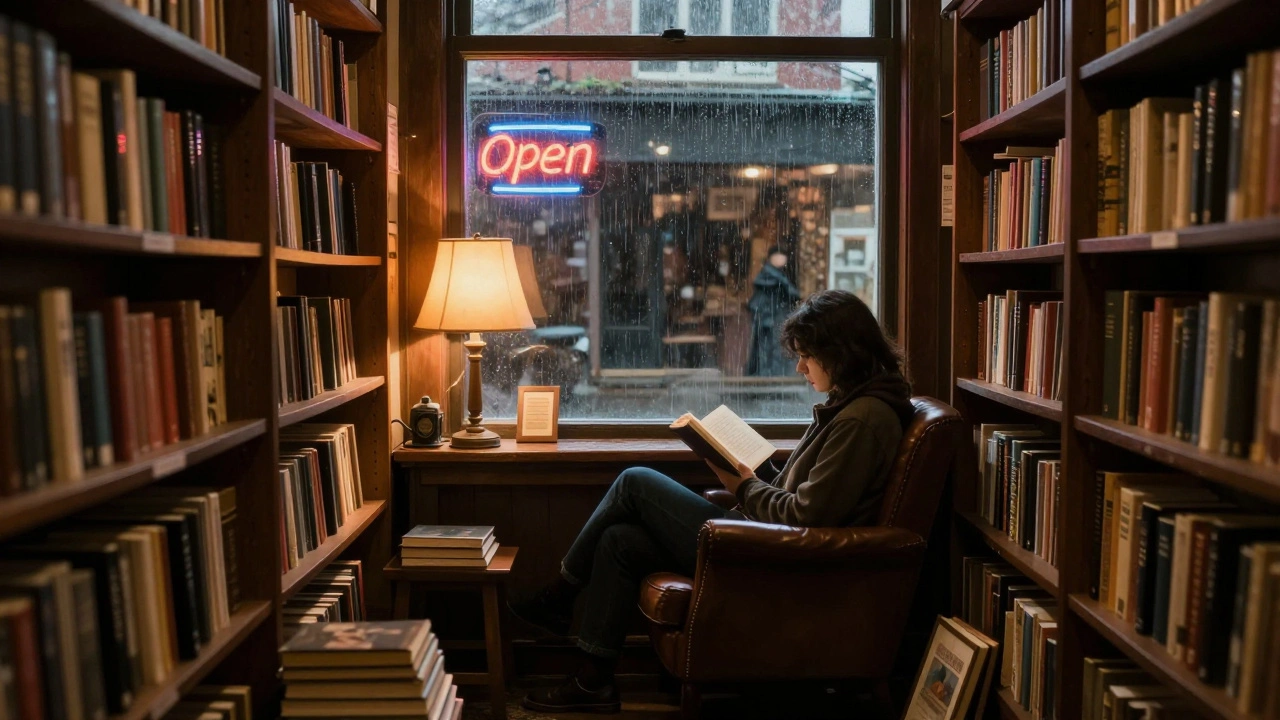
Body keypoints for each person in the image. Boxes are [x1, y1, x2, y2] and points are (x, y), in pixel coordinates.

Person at [509, 289, 915, 714]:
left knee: (634, 481)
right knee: (620, 540)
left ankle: (560, 593)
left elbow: (806, 516)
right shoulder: (848, 406)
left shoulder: (863, 420)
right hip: (766, 540)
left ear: (841, 353)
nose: (799, 368)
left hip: (775, 558)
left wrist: (743, 486)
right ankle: (592, 681)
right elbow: (807, 496)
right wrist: (752, 476)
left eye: (807, 356)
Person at [745, 247, 802, 376]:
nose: (781, 259)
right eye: (778, 255)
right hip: (771, 319)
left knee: (773, 350)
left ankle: (771, 377)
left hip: (775, 318)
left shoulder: (778, 275)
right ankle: (769, 378)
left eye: (783, 255)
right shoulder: (770, 276)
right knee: (770, 350)